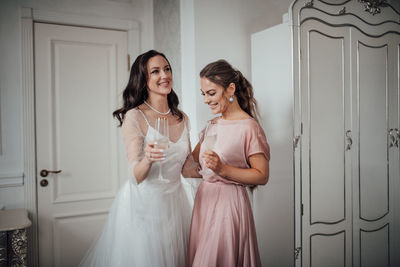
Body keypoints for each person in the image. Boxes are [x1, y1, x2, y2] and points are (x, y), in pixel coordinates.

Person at [79, 50, 200, 267]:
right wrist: (148, 159)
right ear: (143, 80)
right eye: (155, 71)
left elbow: (186, 168)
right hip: (144, 207)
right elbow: (135, 175)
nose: (164, 75)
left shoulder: (182, 118)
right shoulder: (135, 116)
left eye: (167, 69)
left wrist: (212, 162)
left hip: (176, 206)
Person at [186, 59, 270, 267]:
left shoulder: (249, 127)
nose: (205, 100)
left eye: (211, 93)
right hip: (204, 201)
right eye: (203, 93)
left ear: (230, 89)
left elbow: (262, 175)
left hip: (228, 206)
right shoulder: (212, 125)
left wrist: (222, 169)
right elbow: (191, 167)